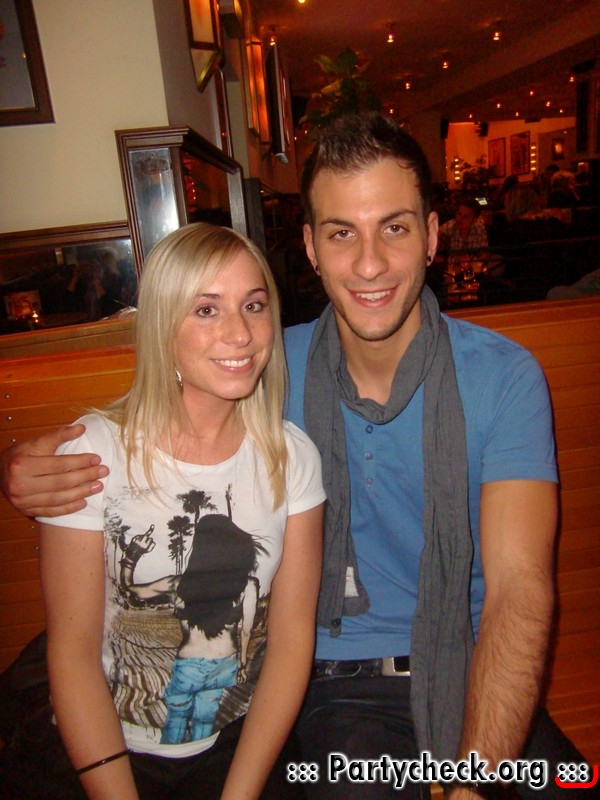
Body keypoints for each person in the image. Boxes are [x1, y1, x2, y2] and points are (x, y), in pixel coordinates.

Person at [1, 114, 593, 799]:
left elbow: (519, 590)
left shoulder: (504, 377)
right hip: (340, 688)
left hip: (472, 665)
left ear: (433, 236)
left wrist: (476, 784)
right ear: (310, 246)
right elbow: (158, 414)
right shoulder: (260, 368)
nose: (369, 264)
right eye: (342, 233)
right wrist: (19, 463)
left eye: (395, 228)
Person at [0, 222, 325, 800]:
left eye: (253, 305)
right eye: (206, 309)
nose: (240, 333)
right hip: (104, 749)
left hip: (237, 743)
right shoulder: (95, 453)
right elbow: (73, 656)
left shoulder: (291, 455)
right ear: (162, 326)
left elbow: (292, 642)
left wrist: (240, 794)